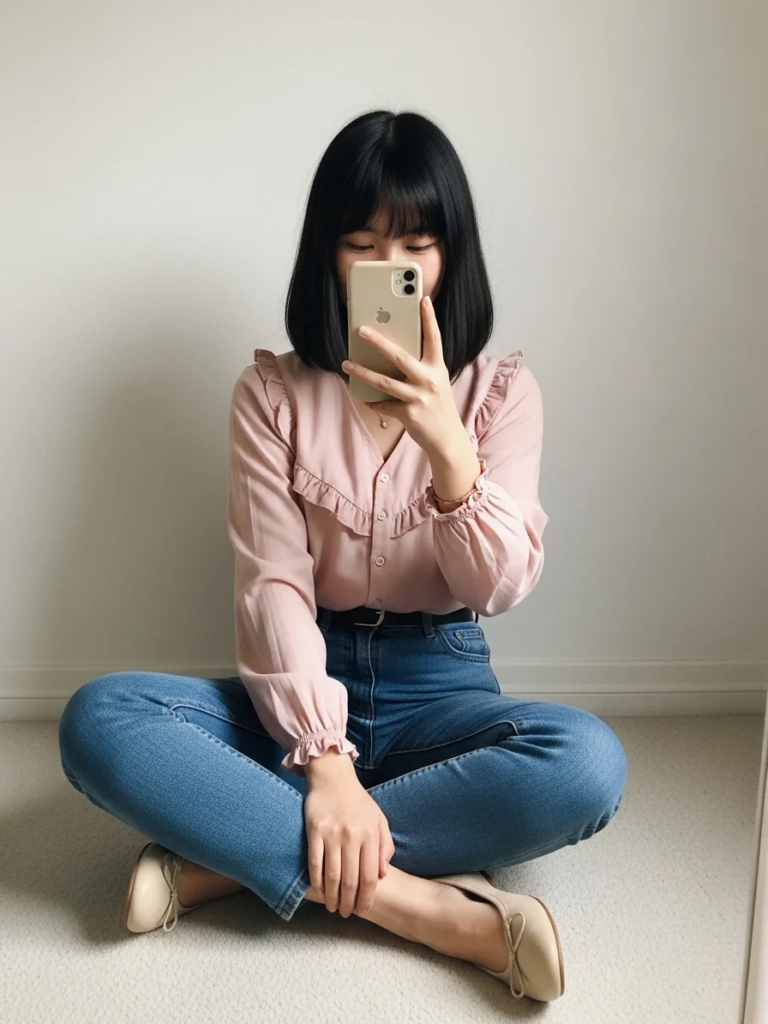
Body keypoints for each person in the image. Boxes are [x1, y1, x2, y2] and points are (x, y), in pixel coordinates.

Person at [58, 109, 629, 1003]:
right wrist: (325, 764)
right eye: (358, 243)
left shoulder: (502, 394)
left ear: (450, 256)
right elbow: (272, 587)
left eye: (412, 245)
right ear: (325, 254)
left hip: (438, 689)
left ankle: (224, 868)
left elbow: (500, 585)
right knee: (103, 718)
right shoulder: (272, 396)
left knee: (588, 763)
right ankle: (429, 911)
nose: (384, 269)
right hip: (297, 684)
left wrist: (449, 449)